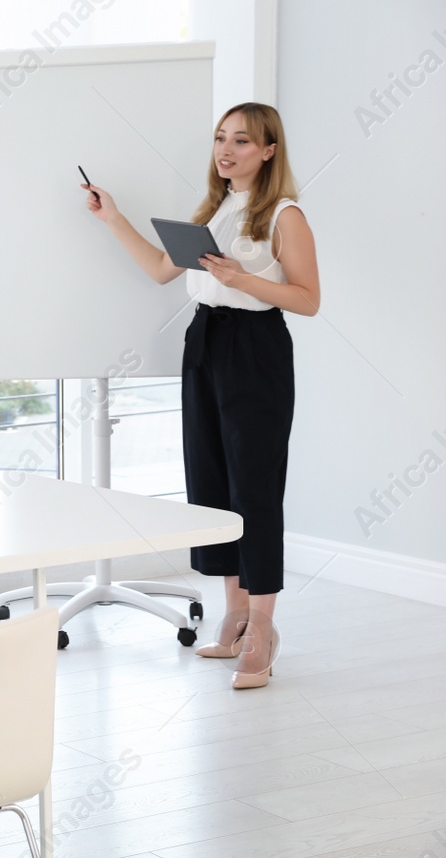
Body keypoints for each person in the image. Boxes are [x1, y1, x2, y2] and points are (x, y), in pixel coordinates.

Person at [82, 102, 320, 690]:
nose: (226, 150)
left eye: (241, 140)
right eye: (220, 139)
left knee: (255, 488)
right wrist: (113, 218)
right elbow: (161, 271)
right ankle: (234, 611)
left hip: (256, 346)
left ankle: (262, 627)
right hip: (205, 339)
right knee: (213, 484)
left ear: (268, 150)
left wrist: (244, 280)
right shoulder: (214, 209)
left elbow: (308, 298)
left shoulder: (284, 215)